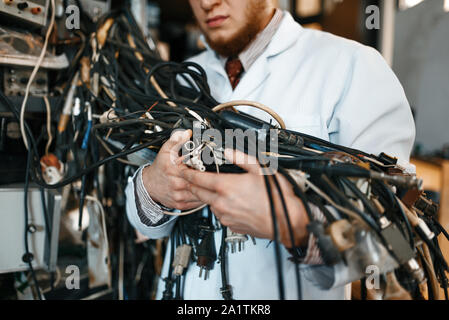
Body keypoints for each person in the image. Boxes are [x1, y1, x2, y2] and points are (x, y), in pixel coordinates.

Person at [125, 0, 416, 300]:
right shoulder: (178, 77)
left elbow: (394, 229)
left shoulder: (352, 67)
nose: (207, 3)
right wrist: (153, 188)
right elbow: (140, 221)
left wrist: (296, 224)